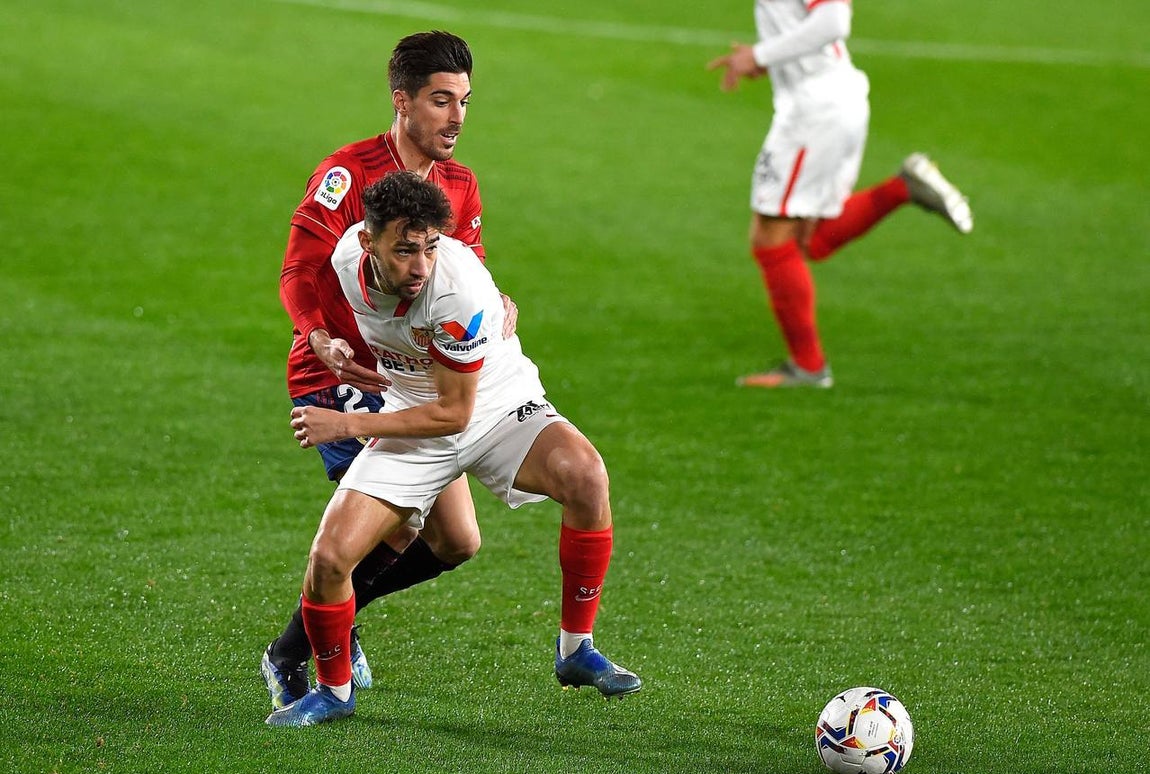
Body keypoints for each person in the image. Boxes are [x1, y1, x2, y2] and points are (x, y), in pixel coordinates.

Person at [265, 172, 641, 727]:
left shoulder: (454, 292)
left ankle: (575, 649)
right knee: (329, 558)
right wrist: (326, 342)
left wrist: (345, 423)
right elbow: (305, 280)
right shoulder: (345, 261)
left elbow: (455, 415)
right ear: (368, 244)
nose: (419, 266)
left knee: (585, 475)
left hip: (491, 402)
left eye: (430, 246)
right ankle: (334, 691)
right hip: (417, 406)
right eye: (404, 249)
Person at [262, 30, 517, 709]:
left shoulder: (460, 186)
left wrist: (499, 305)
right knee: (400, 524)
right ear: (401, 101)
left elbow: (469, 275)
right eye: (440, 101)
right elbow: (298, 269)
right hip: (344, 375)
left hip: (410, 381)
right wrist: (317, 335)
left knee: (458, 540)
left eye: (464, 101)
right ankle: (298, 653)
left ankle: (327, 618)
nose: (456, 118)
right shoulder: (348, 174)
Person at [707, 0, 973, 388]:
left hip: (814, 113)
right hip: (825, 103)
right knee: (809, 238)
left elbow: (833, 21)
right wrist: (772, 61)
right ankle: (903, 187)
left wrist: (761, 54)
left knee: (770, 237)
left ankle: (809, 369)